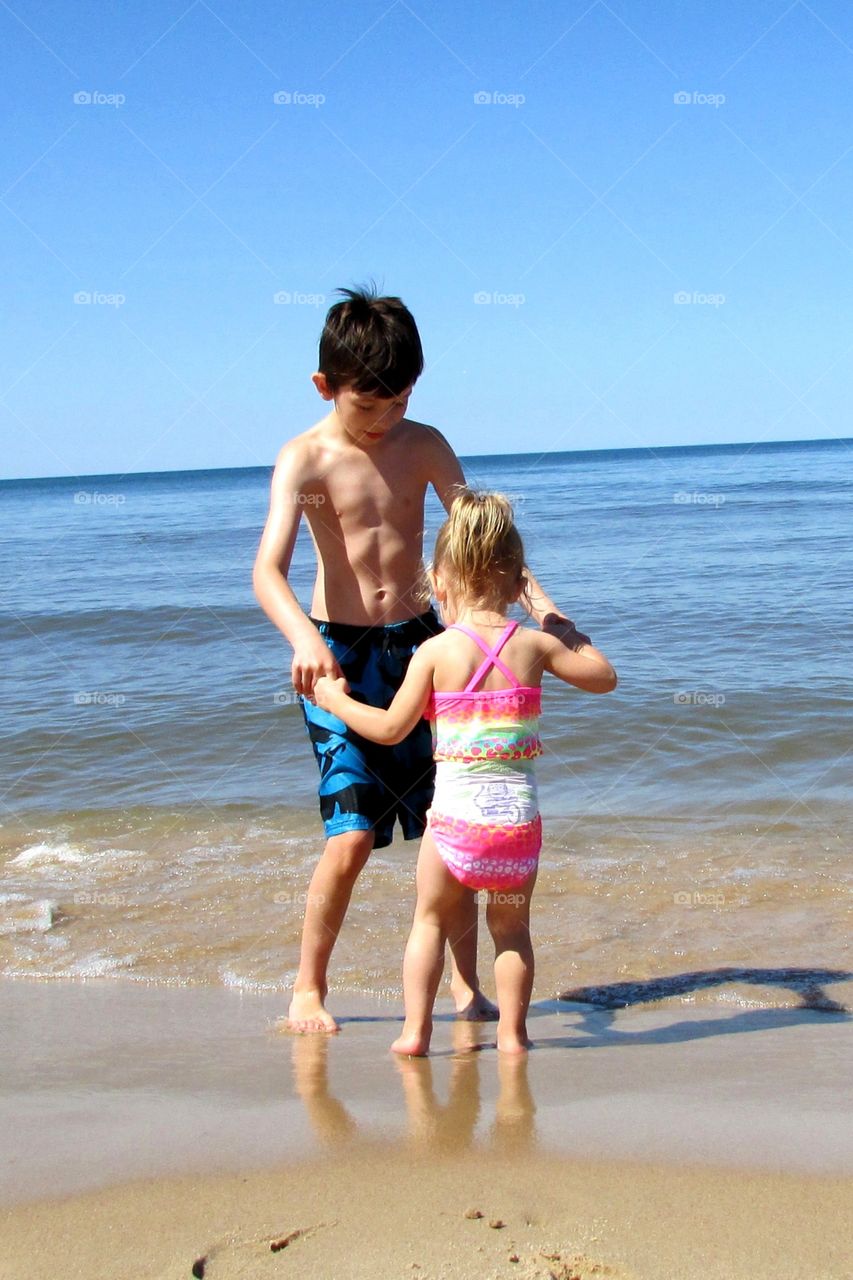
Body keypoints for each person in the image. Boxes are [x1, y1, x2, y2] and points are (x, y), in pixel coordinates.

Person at [253, 287, 572, 1034]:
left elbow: (483, 542)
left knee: (446, 823)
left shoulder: (423, 443)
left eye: (400, 400)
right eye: (370, 405)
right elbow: (267, 570)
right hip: (336, 654)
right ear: (324, 387)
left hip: (427, 645)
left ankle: (465, 985)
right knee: (353, 834)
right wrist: (303, 639)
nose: (387, 416)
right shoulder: (303, 458)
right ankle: (308, 987)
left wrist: (542, 606)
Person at [314, 490, 617, 1055]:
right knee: (511, 932)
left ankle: (415, 1033)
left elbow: (388, 730)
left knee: (429, 922)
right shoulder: (534, 645)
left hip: (455, 822)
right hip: (517, 826)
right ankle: (512, 1036)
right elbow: (604, 677)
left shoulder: (437, 651)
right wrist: (548, 610)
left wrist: (334, 700)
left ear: (440, 582)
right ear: (514, 582)